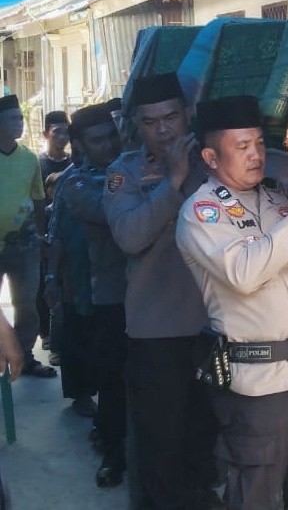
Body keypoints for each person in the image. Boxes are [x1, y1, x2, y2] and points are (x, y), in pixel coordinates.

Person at [176, 95, 288, 509]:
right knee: (256, 496)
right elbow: (244, 274)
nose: (255, 155)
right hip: (260, 386)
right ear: (211, 157)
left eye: (259, 144)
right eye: (242, 146)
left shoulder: (277, 198)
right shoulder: (201, 212)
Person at [103, 73, 220, 509]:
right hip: (156, 334)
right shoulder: (125, 173)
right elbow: (130, 237)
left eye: (171, 116)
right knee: (159, 447)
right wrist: (172, 181)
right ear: (137, 124)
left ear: (187, 114)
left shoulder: (214, 161)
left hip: (211, 326)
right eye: (150, 122)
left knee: (203, 438)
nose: (164, 129)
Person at [62, 102, 129, 487]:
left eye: (111, 136)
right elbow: (114, 211)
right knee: (113, 379)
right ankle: (113, 453)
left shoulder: (133, 168)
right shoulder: (76, 183)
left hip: (147, 294)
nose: (107, 146)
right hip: (110, 297)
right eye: (97, 140)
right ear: (81, 145)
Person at [0, 94, 56, 378]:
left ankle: (24, 355)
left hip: (24, 243)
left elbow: (37, 199)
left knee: (27, 303)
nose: (19, 123)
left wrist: (42, 233)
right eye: (12, 119)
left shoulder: (28, 159)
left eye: (20, 118)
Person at [45, 141, 98, 419]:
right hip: (76, 271)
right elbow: (56, 233)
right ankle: (81, 395)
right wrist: (52, 276)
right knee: (77, 333)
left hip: (111, 274)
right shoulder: (69, 180)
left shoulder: (120, 172)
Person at [37, 110, 70, 352]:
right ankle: (45, 334)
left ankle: (62, 334)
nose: (62, 137)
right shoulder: (37, 164)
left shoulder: (74, 163)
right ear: (46, 133)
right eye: (57, 132)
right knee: (43, 283)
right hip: (43, 233)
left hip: (67, 235)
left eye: (66, 132)